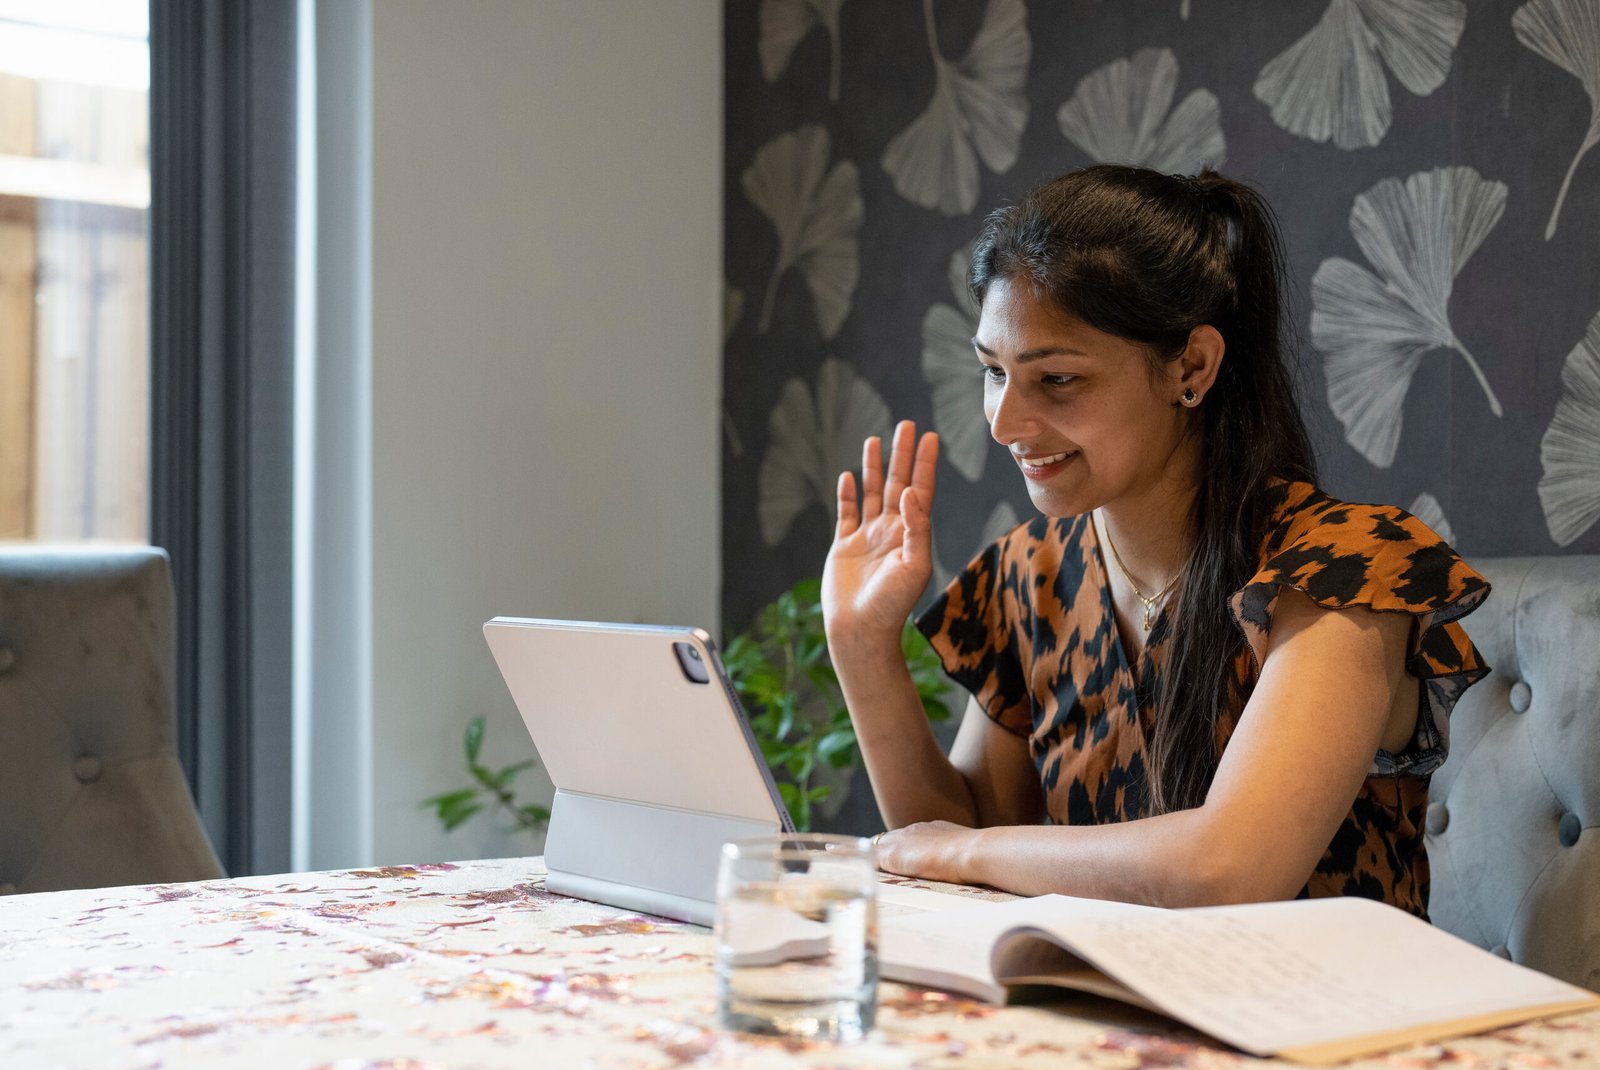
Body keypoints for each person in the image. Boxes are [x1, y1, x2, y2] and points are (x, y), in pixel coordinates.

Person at [820, 165, 1489, 916]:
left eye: (1058, 379)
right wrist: (861, 646)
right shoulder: (1030, 574)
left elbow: (1228, 869)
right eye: (992, 372)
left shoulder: (1346, 568)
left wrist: (967, 852)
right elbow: (960, 832)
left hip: (1333, 1022)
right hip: (1121, 1018)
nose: (1005, 423)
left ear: (1191, 367)